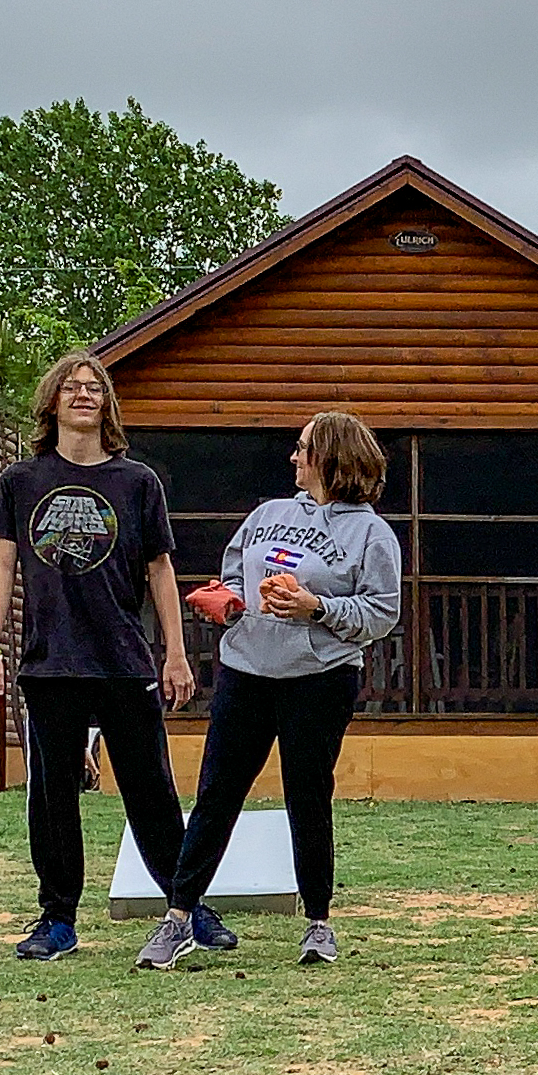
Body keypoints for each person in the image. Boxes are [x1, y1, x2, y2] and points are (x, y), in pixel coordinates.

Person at [136, 409, 402, 972]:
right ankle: (180, 917)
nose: (293, 457)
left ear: (331, 456)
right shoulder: (268, 514)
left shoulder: (371, 534)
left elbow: (381, 612)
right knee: (217, 795)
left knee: (308, 798)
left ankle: (319, 924)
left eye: (303, 448)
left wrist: (316, 606)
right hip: (246, 673)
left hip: (320, 680)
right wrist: (226, 599)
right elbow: (235, 572)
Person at [0, 350, 209, 961]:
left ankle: (186, 907)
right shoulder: (20, 483)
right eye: (72, 387)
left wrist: (176, 653)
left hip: (125, 660)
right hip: (49, 662)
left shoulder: (137, 483)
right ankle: (57, 920)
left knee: (151, 788)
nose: (84, 395)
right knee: (52, 796)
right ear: (52, 403)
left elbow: (161, 570)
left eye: (95, 388)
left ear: (107, 405)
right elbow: (1, 568)